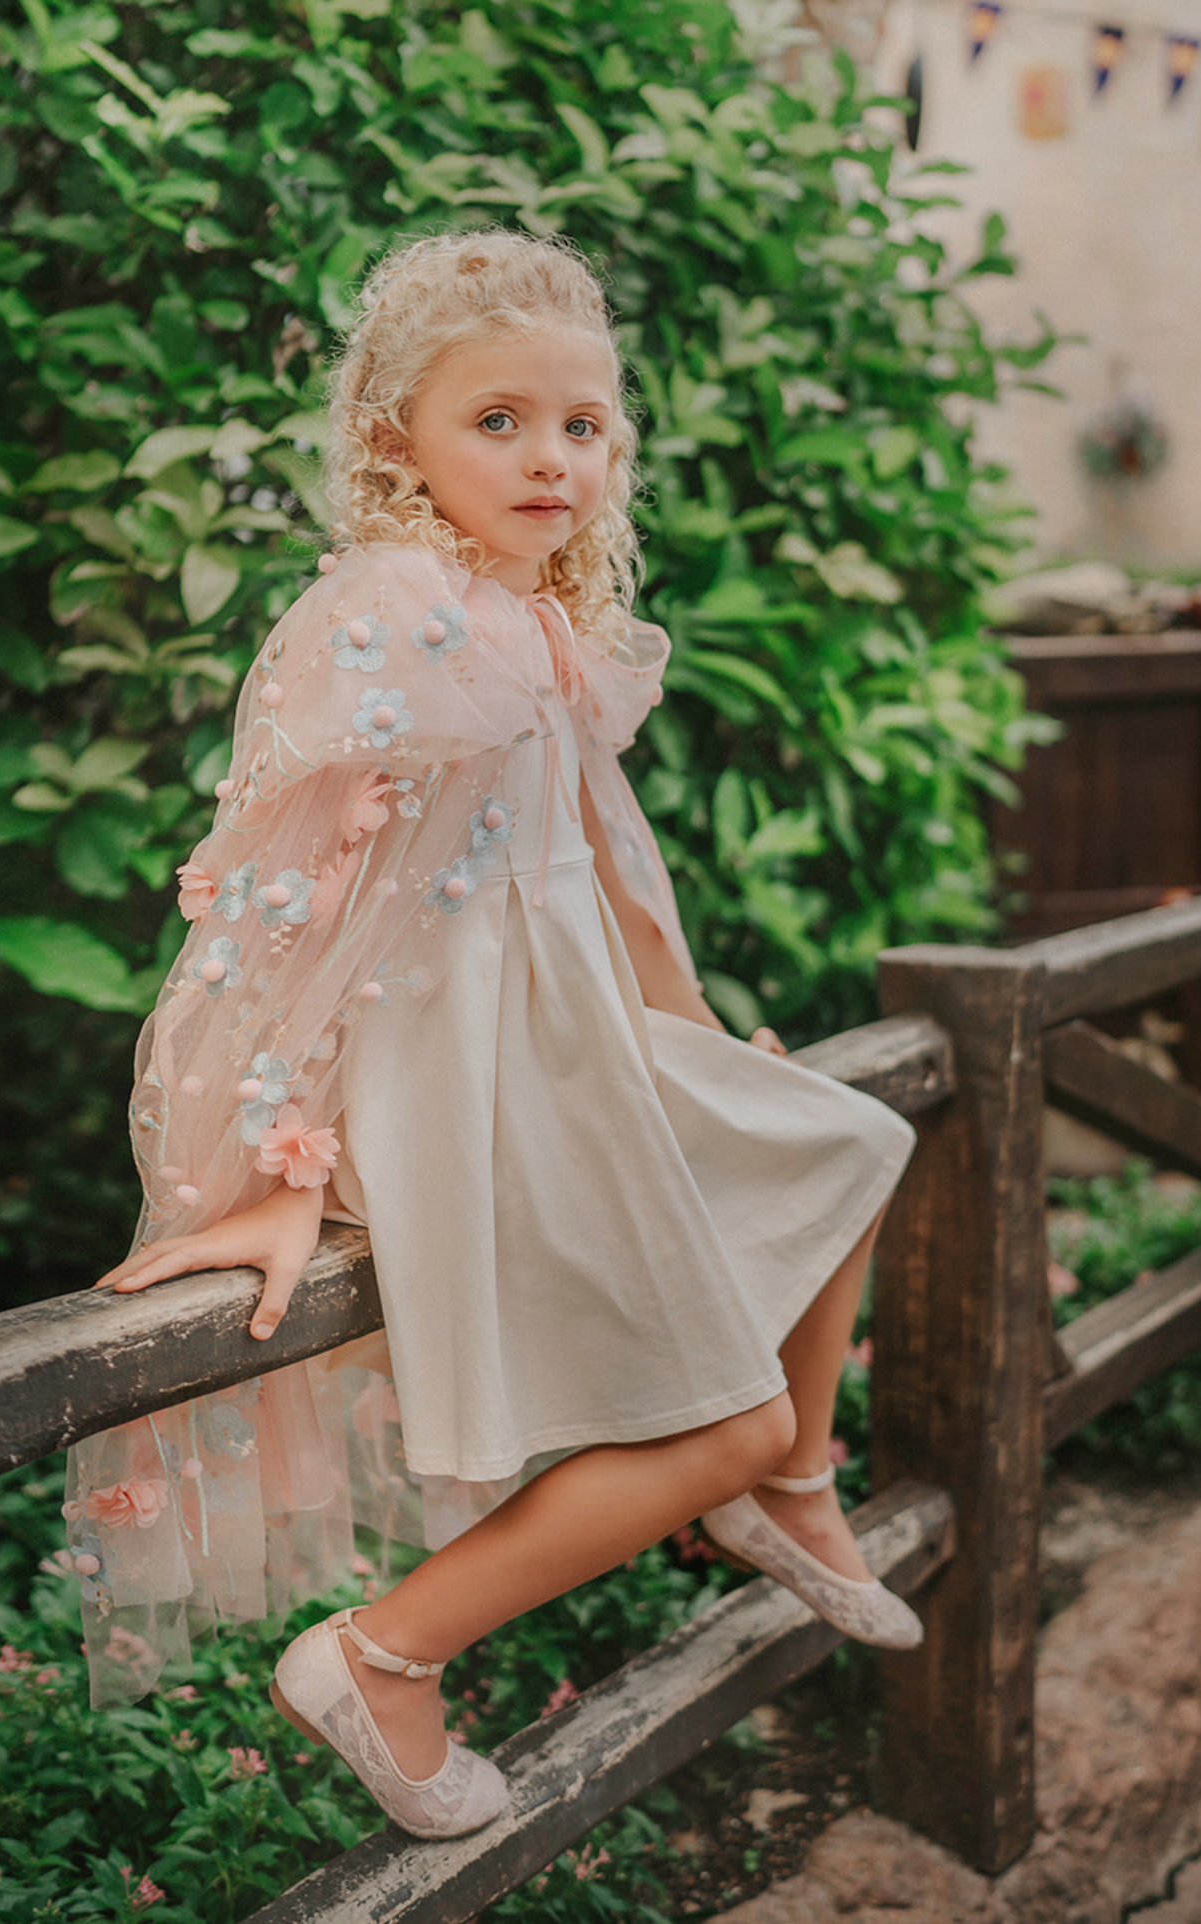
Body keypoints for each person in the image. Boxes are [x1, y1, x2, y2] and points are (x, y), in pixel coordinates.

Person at [66, 229, 920, 1841]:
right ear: (400, 441)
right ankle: (386, 1657)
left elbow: (603, 855)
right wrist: (270, 1164)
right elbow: (280, 903)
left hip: (566, 1035)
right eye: (499, 422)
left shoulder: (527, 612)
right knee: (716, 1413)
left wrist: (699, 1035)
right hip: (461, 1074)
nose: (551, 460)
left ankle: (789, 1486)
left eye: (581, 426)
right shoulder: (400, 609)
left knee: (849, 1136)